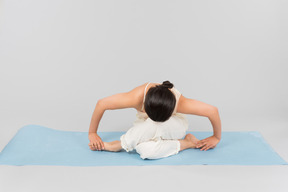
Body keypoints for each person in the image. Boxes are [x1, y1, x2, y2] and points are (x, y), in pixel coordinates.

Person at [88, 81, 222, 159]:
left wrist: (216, 137)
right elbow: (102, 104)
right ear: (145, 105)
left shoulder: (180, 103)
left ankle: (116, 145)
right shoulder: (136, 97)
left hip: (174, 126)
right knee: (145, 151)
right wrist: (92, 133)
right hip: (145, 127)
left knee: (154, 125)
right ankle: (188, 143)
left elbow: (212, 111)